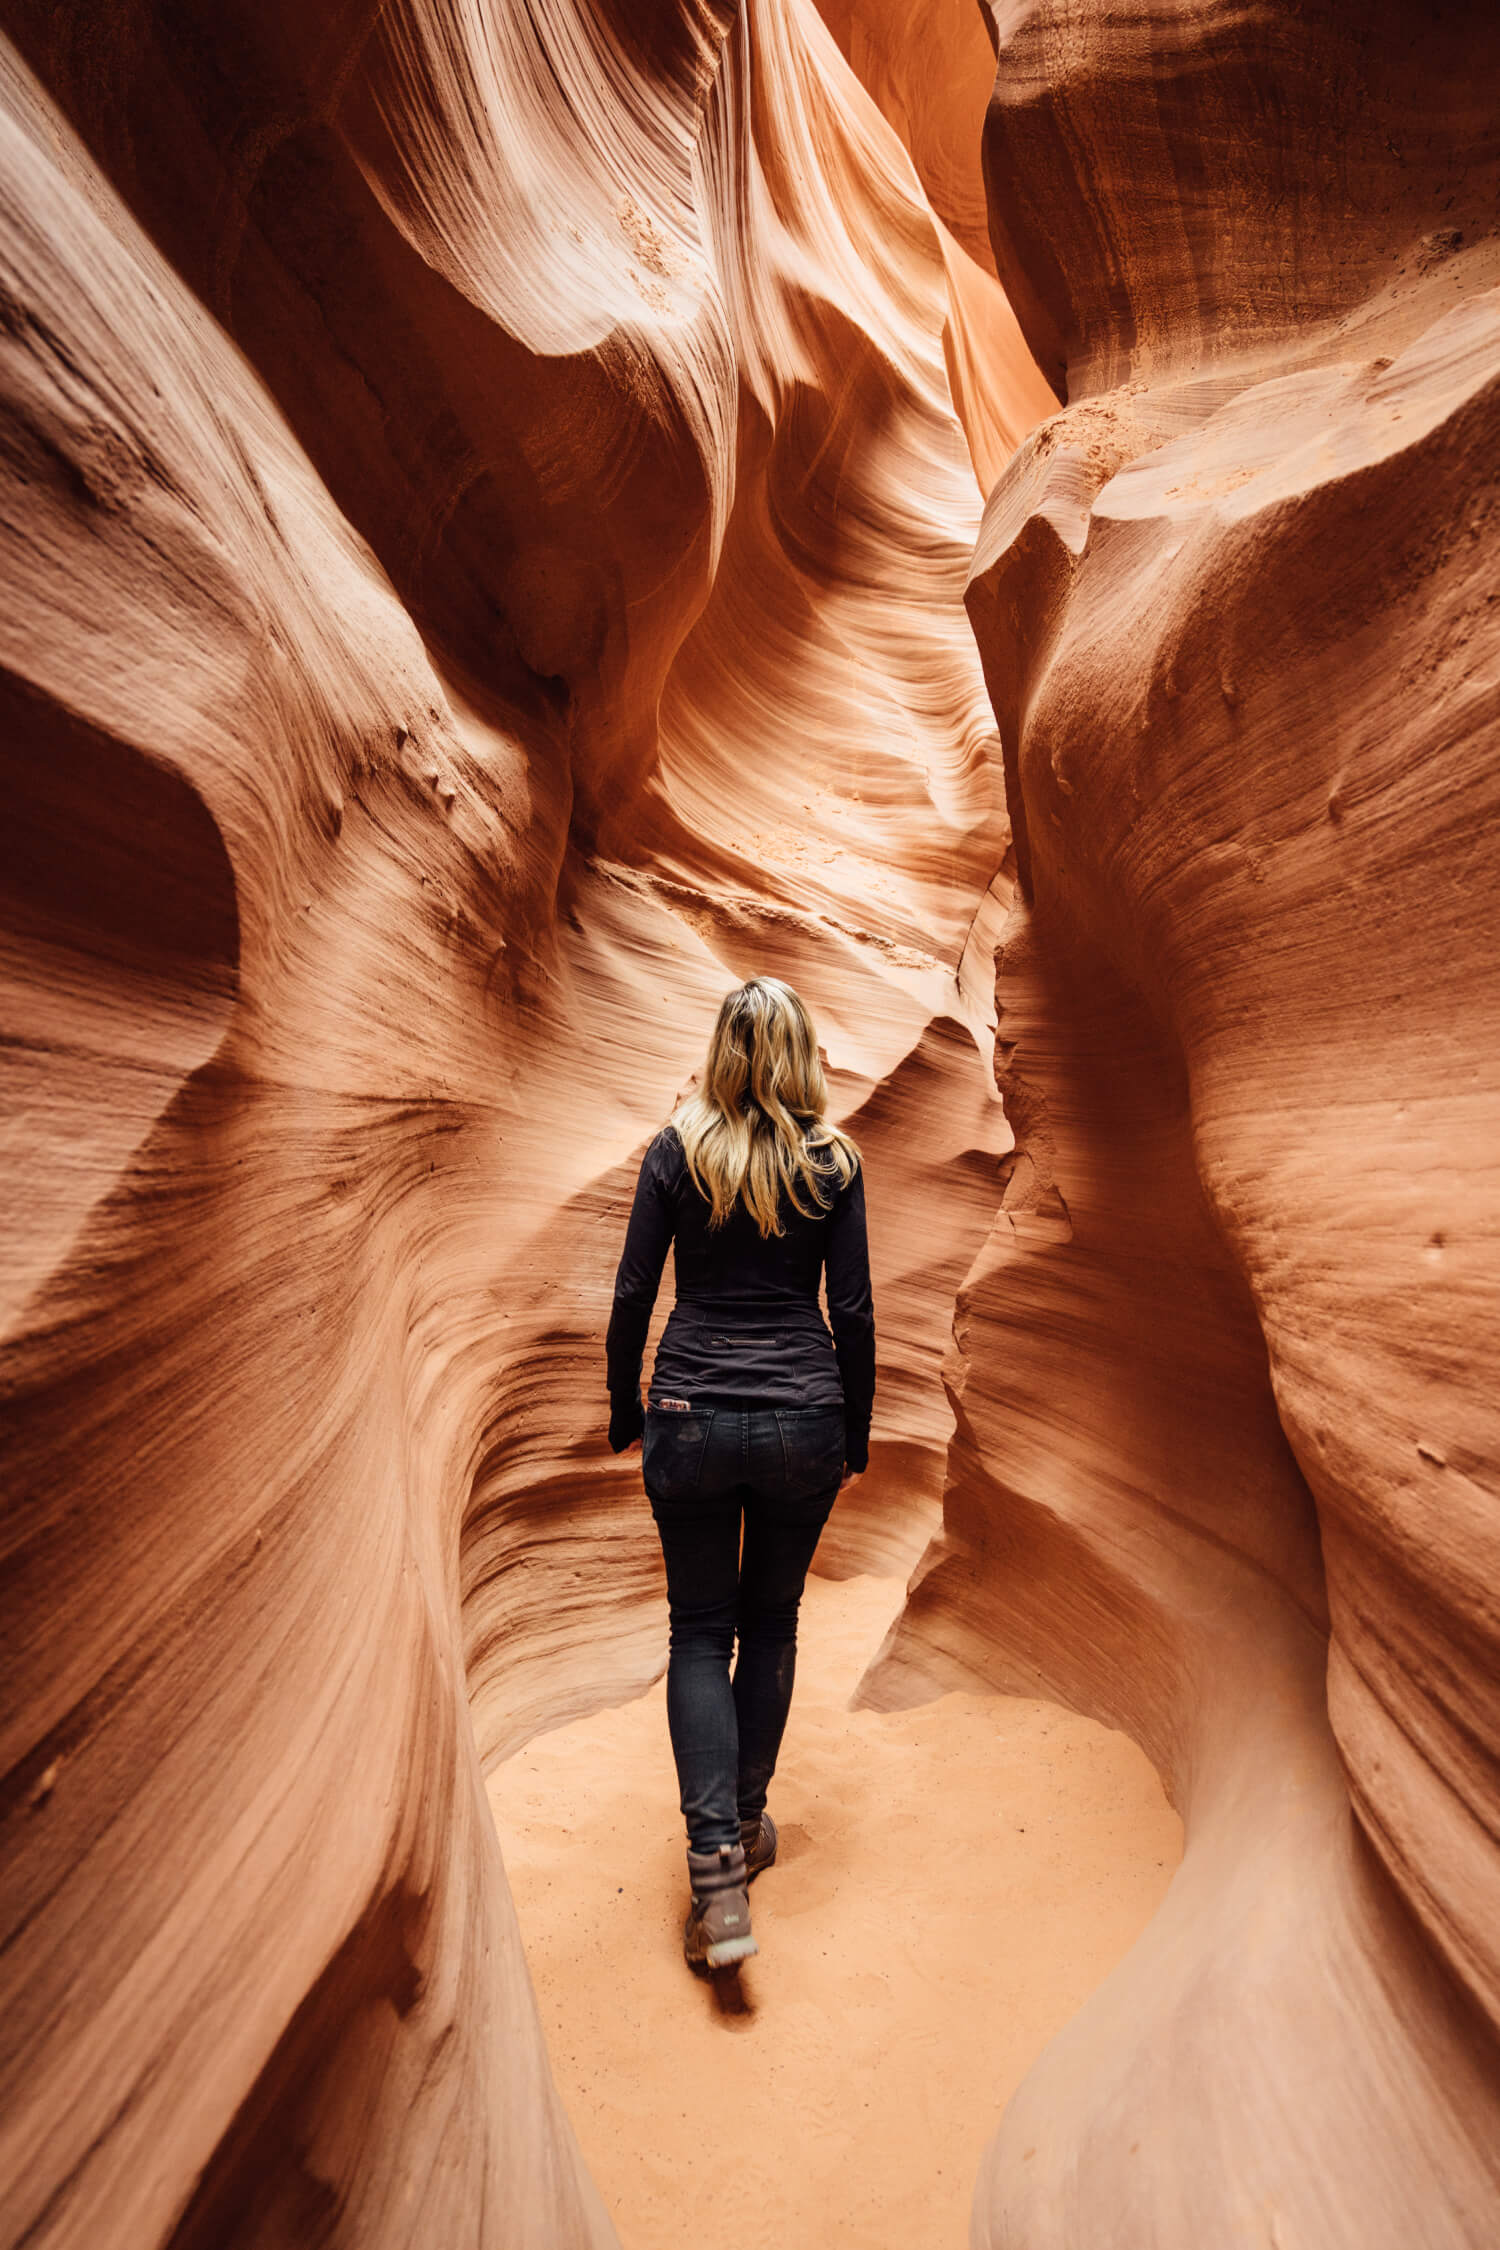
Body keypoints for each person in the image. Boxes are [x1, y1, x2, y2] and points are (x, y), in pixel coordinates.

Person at [605, 976, 876, 1970]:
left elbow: (635, 1291)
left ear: (722, 1051)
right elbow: (851, 1310)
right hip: (804, 1415)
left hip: (691, 1414)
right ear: (801, 1056)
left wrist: (622, 1406)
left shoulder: (676, 1151)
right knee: (770, 1623)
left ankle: (717, 1871)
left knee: (697, 1629)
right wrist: (855, 1426)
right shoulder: (833, 1164)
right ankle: (748, 1824)